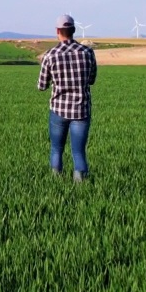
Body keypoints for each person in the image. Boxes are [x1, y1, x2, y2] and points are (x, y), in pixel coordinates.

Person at [37, 14, 98, 182]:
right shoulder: (88, 53)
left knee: (56, 149)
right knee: (79, 152)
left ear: (58, 31)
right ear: (74, 30)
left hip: (58, 110)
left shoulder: (50, 55)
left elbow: (41, 86)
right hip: (81, 109)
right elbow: (91, 80)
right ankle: (81, 186)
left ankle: (56, 183)